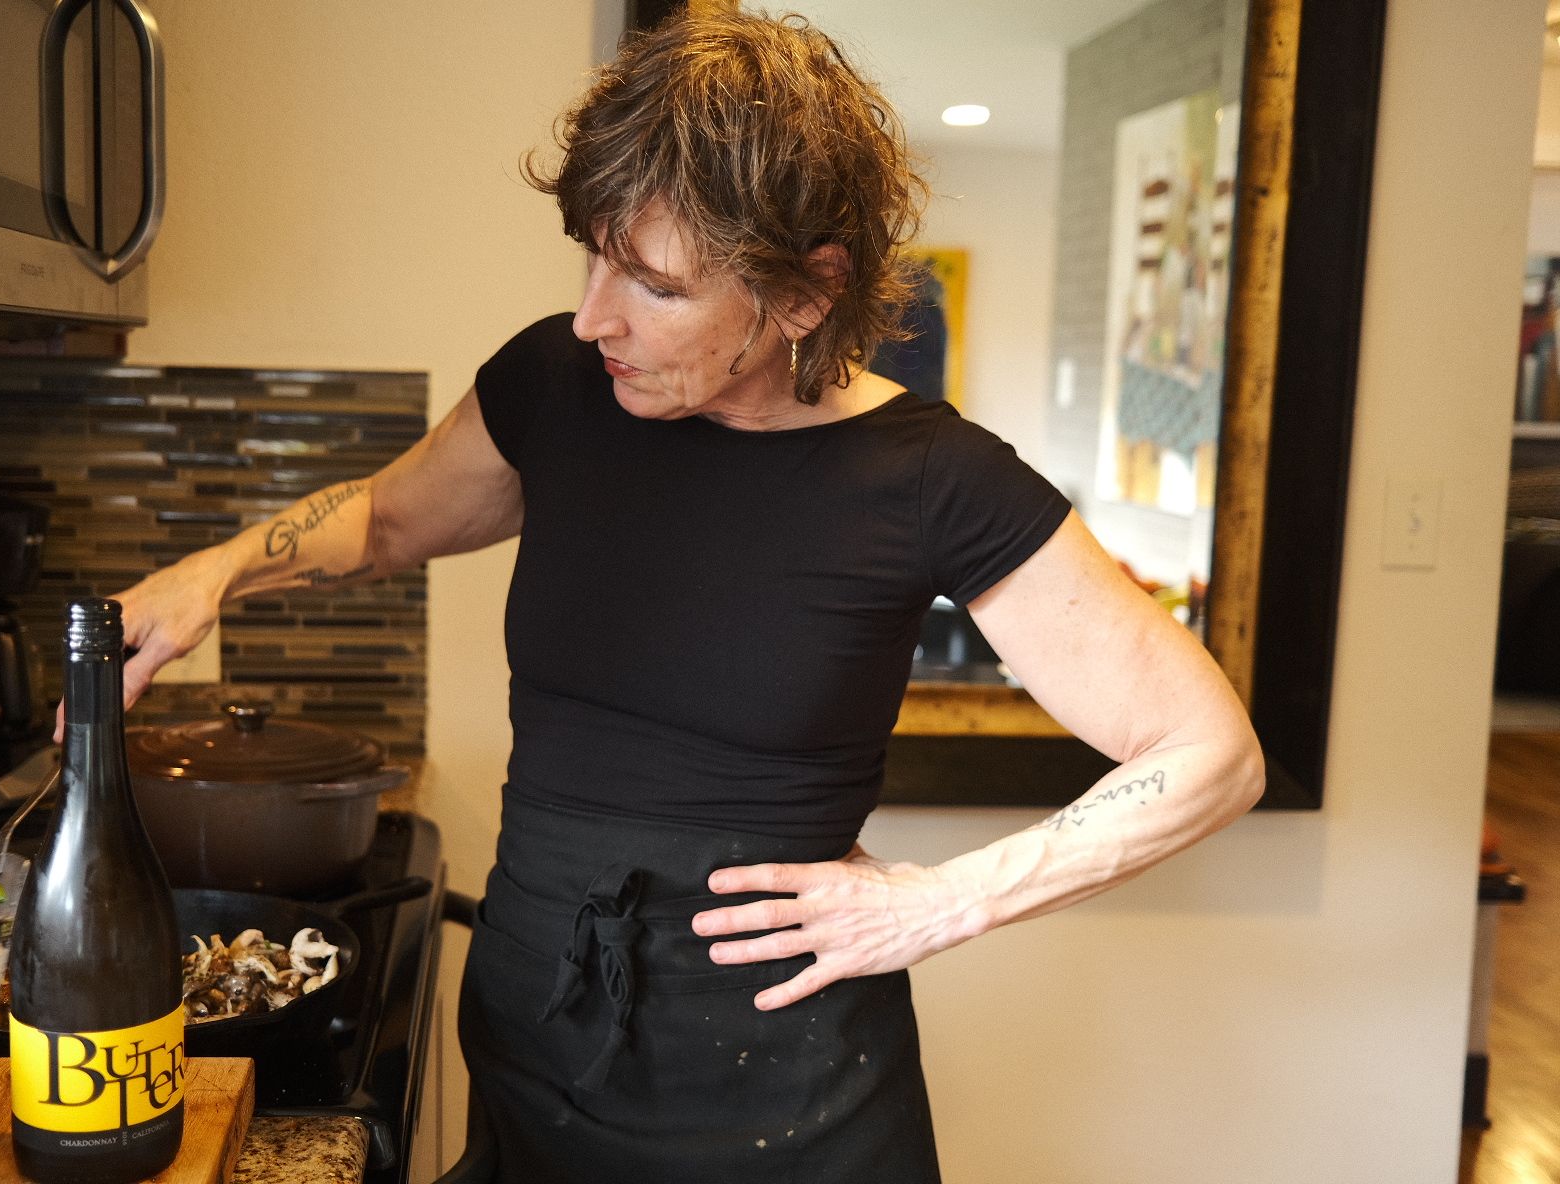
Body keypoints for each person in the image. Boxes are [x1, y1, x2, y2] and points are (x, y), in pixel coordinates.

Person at [104, 12, 1264, 1181]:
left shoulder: (931, 479)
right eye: (593, 256)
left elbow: (1210, 751)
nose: (593, 315)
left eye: (653, 283)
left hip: (783, 1098)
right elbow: (390, 518)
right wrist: (215, 572)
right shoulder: (557, 383)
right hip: (534, 1040)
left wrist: (941, 901)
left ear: (808, 292)